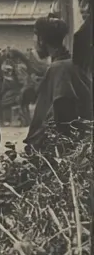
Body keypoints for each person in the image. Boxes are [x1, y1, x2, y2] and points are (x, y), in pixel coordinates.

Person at [24, 15, 93, 152]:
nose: (34, 42)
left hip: (63, 148)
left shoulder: (60, 68)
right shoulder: (68, 64)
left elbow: (63, 112)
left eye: (35, 35)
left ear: (42, 40)